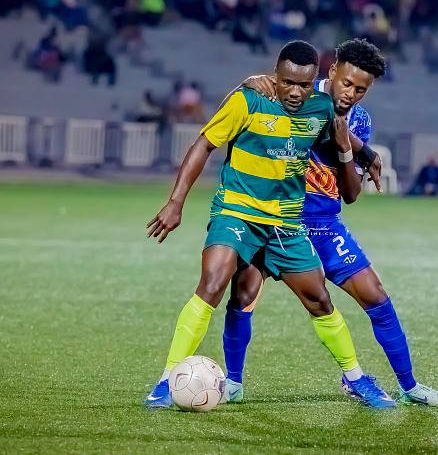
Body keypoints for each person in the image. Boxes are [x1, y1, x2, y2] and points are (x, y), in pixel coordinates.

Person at [144, 40, 394, 410]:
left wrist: (366, 153)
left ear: (314, 82)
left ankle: (356, 378)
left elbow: (340, 135)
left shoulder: (321, 108)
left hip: (286, 222)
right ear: (274, 75)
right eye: (287, 82)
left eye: (303, 85)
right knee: (213, 283)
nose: (294, 92)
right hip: (237, 211)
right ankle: (167, 380)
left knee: (319, 299)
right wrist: (175, 202)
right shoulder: (248, 100)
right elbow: (203, 145)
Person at [221, 39, 438, 407]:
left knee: (376, 295)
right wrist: (249, 81)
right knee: (243, 293)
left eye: (361, 89)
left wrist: (349, 147)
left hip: (324, 224)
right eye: (346, 83)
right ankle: (233, 383)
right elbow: (257, 103)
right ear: (332, 71)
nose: (350, 94)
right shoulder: (299, 92)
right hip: (276, 219)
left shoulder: (360, 120)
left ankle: (409, 387)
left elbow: (351, 194)